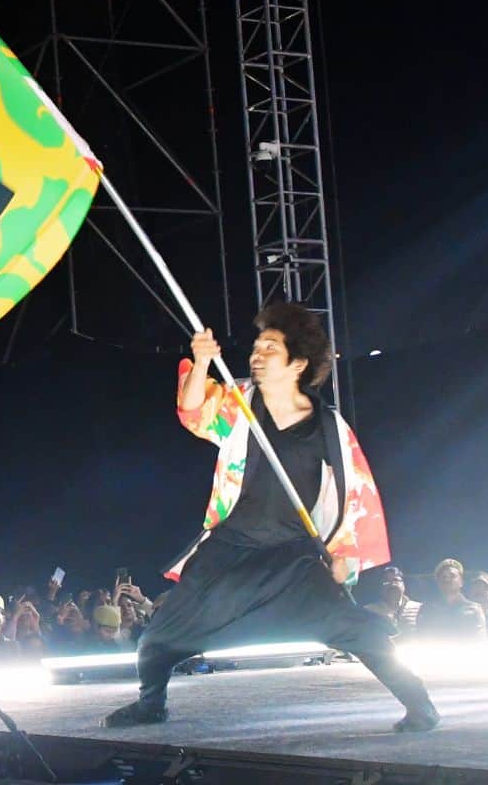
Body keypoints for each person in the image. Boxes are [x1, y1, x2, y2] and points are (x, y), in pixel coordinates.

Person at [103, 303, 440, 732]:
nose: (256, 355)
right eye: (256, 347)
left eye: (270, 348)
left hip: (292, 556)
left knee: (356, 631)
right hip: (229, 549)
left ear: (298, 363)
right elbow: (193, 411)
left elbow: (356, 495)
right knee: (157, 637)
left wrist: (342, 554)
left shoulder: (329, 428)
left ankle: (419, 704)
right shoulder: (240, 405)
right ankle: (151, 704)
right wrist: (203, 360)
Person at [418, 560, 487, 640]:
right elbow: (421, 639)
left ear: (461, 582)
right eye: (443, 577)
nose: (447, 580)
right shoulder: (427, 610)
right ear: (438, 583)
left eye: (452, 576)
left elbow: (479, 643)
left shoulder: (474, 610)